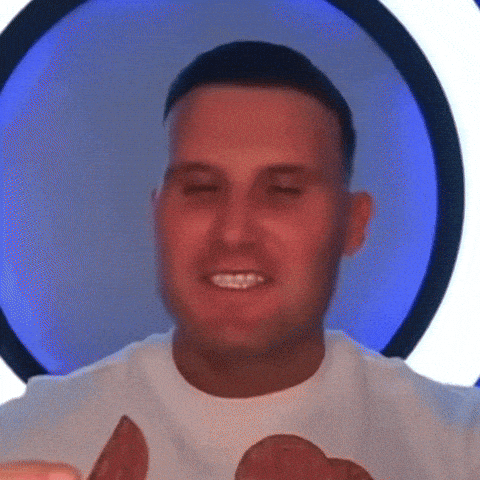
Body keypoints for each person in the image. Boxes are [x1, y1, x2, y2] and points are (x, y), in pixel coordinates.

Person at [0, 40, 479, 480]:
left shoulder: (460, 448)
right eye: (201, 189)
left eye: (283, 191)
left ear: (354, 223)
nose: (233, 232)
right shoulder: (22, 439)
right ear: (157, 216)